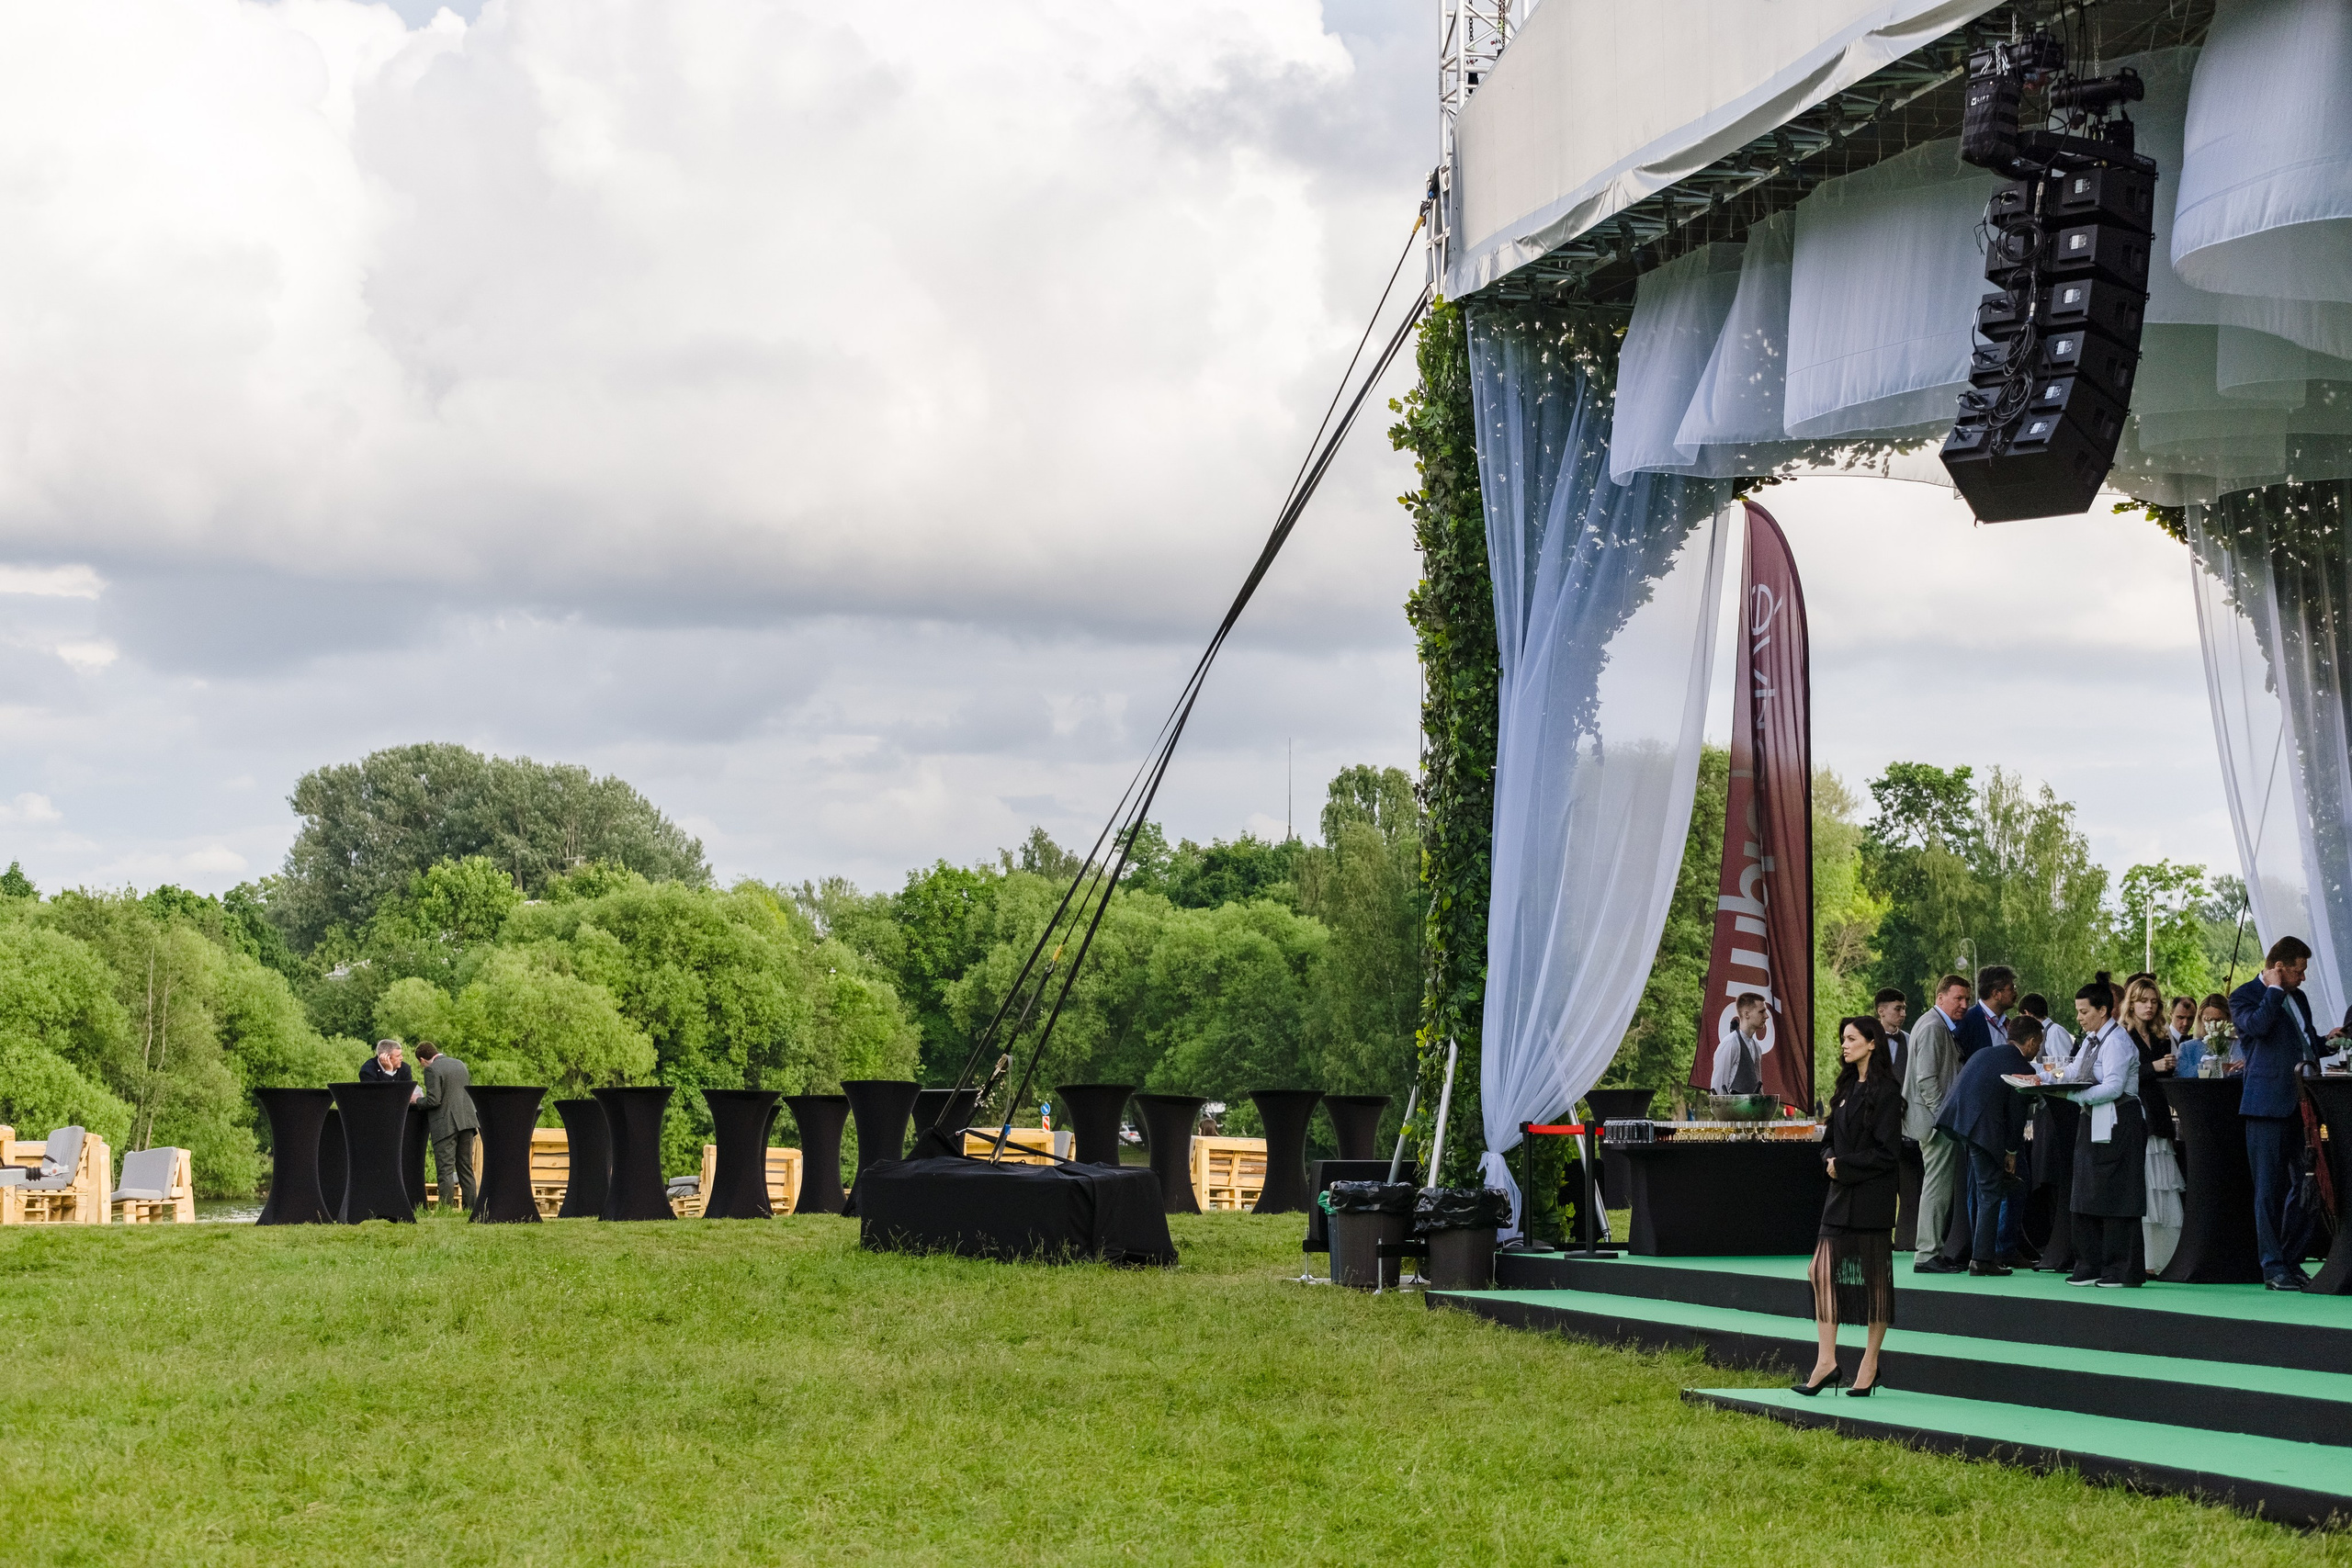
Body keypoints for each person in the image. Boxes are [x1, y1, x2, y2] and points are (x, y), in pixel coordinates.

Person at [1795, 1015, 1902, 1397]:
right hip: (1840, 1193)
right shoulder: (1843, 1088)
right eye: (1843, 1039)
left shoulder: (1887, 1091)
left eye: (1852, 1038)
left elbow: (1888, 1154)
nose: (1844, 1044)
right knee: (1819, 1271)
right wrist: (1829, 1158)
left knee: (1875, 1283)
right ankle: (1827, 1363)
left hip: (1871, 1195)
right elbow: (1830, 1136)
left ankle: (1869, 1365)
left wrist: (1844, 1166)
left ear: (1872, 1043)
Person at [2231, 937, 2323, 1290]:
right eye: (2298, 971)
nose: (2302, 979)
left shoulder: (2298, 998)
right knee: (2267, 1189)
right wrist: (2272, 991)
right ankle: (2272, 1268)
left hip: (2303, 1104)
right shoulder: (2244, 995)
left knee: (2308, 1183)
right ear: (2280, 968)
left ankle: (2291, 1258)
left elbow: (2308, 1041)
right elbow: (2255, 1028)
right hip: (2266, 1104)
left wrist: (2333, 1041)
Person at [1935, 1013, 2041, 1275]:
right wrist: (2012, 1152)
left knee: (1982, 1187)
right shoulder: (2023, 1068)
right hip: (1983, 1130)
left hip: (1956, 1122)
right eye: (2039, 1044)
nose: (2038, 1050)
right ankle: (1982, 1259)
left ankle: (1982, 1253)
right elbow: (2016, 1117)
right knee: (1990, 1191)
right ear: (2030, 1041)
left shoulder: (1985, 1053)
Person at [2066, 975, 2148, 1288]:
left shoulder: (2117, 1041)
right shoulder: (2090, 1040)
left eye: (2083, 1011)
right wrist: (2043, 1078)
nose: (2079, 1018)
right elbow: (2073, 1071)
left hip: (2120, 1120)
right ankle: (2089, 1264)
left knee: (2118, 1194)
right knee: (2085, 1190)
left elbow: (2113, 1087)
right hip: (2092, 1118)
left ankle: (2121, 1269)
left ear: (2103, 1010)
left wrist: (2073, 1096)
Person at [1902, 974, 1971, 1274]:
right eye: (1958, 998)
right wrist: (1946, 1118)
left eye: (1966, 999)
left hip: (1934, 1121)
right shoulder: (1933, 1027)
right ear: (1940, 996)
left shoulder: (1932, 1023)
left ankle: (1932, 1251)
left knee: (1937, 1187)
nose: (1964, 1004)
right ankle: (1927, 1254)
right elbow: (1927, 1080)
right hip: (1936, 1124)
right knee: (1937, 1188)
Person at [2122, 976, 2186, 1274]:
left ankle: (2166, 1257)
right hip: (2134, 1115)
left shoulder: (2162, 1036)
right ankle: (2144, 1259)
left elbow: (2168, 1078)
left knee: (2163, 1185)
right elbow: (2118, 1078)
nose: (2149, 1006)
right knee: (2145, 1185)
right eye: (2143, 1001)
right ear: (2131, 1003)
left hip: (2159, 1114)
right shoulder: (2122, 1035)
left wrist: (2170, 1069)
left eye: (2153, 1002)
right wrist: (2154, 1068)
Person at [414, 1041, 480, 1213]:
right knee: (466, 1169)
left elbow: (433, 1100)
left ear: (422, 1060)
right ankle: (471, 1209)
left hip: (446, 1125)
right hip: (467, 1121)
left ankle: (445, 1211)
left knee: (445, 1170)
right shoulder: (460, 1065)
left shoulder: (432, 1069)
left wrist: (417, 1101)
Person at [1710, 993, 1769, 1095]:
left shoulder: (1757, 1048)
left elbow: (1757, 1086)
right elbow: (1717, 1092)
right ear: (1747, 1014)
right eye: (1761, 1012)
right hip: (1731, 1110)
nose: (1766, 1016)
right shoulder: (1730, 1044)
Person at [1955, 965, 2016, 1062]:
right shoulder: (1967, 1022)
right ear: (1996, 994)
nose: (2015, 993)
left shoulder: (2007, 1023)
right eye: (2012, 988)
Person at [2018, 992, 2074, 1072]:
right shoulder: (2045, 1032)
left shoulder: (2055, 1032)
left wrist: (2026, 1066)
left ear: (2027, 1013)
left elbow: (2064, 1066)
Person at [1874, 987, 1910, 1079]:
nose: (1903, 1014)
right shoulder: (1866, 1040)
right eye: (1898, 1009)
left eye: (1903, 1009)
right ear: (1881, 1012)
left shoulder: (1909, 1041)